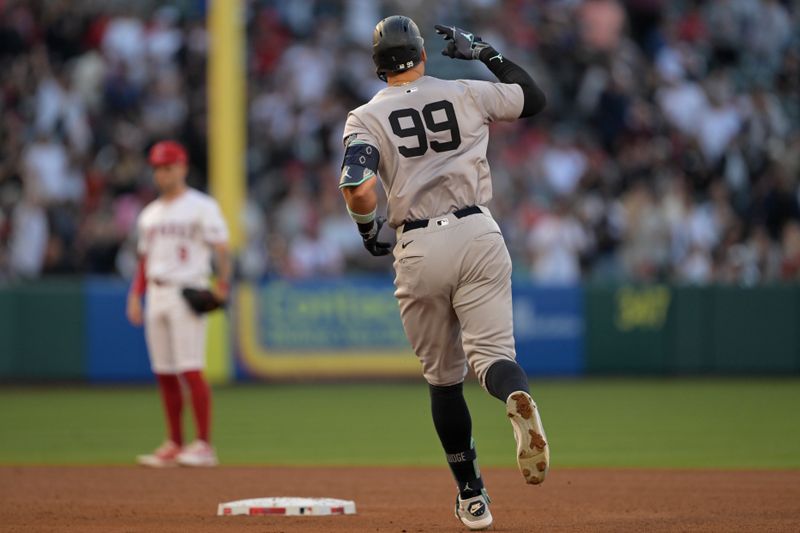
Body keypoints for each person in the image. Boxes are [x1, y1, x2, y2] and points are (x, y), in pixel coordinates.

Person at [338, 16, 549, 530]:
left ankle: (473, 497)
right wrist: (482, 50)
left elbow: (358, 187)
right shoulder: (465, 91)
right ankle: (514, 394)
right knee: (495, 359)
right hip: (478, 231)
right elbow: (532, 98)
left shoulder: (365, 117)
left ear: (377, 65)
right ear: (423, 55)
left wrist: (369, 233)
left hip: (418, 244)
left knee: (443, 381)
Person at [126, 140, 231, 467]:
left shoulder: (201, 205)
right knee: (164, 372)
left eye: (168, 166)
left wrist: (222, 284)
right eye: (157, 167)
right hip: (156, 292)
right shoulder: (149, 214)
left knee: (190, 368)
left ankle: (203, 444)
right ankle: (174, 442)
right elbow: (144, 260)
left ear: (183, 167)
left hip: (188, 291)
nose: (162, 173)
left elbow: (222, 248)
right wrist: (135, 294)